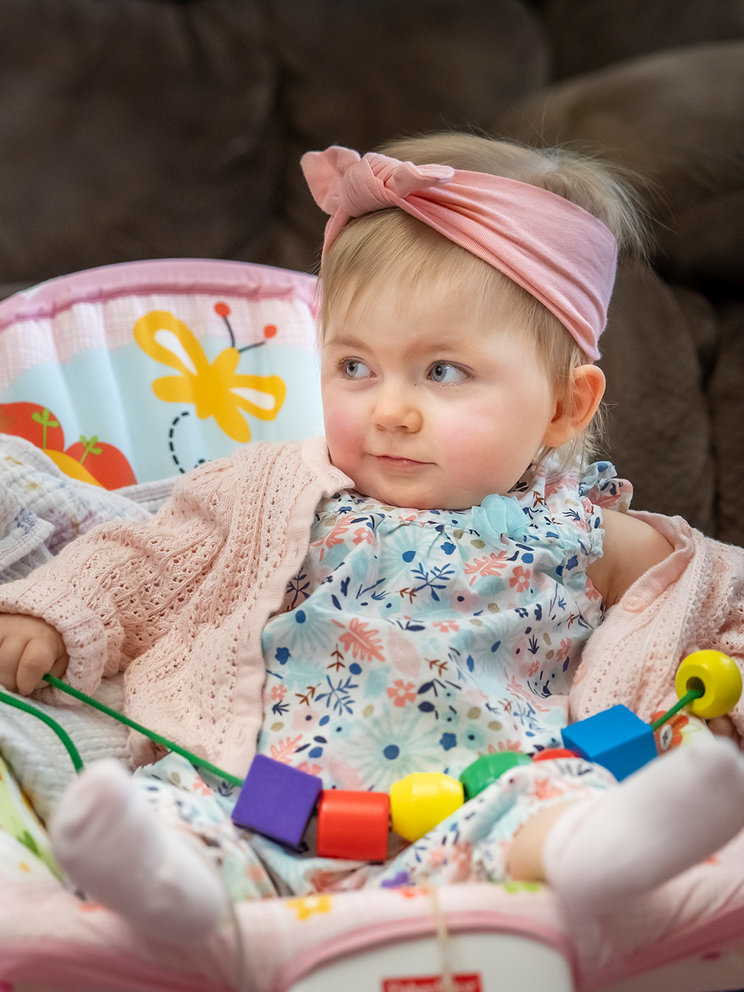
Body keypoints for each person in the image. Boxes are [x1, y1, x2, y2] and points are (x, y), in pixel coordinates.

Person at [0, 132, 743, 945]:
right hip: (276, 794)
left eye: (443, 372)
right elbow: (146, 557)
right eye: (355, 367)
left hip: (484, 799)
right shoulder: (283, 490)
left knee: (562, 799)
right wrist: (52, 614)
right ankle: (172, 891)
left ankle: (602, 852)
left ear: (565, 407)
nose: (390, 409)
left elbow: (718, 597)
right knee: (174, 806)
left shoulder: (587, 532)